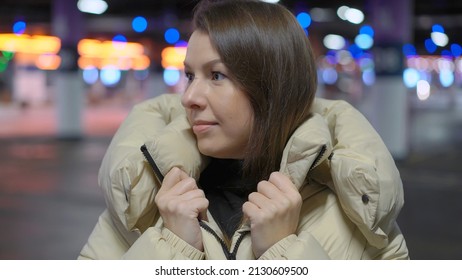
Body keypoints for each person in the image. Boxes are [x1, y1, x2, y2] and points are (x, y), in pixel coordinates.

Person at [79, 0, 409, 260]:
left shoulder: (359, 216)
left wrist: (285, 255)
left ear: (273, 88)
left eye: (217, 76)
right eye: (190, 76)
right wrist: (172, 250)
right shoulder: (145, 201)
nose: (189, 97)